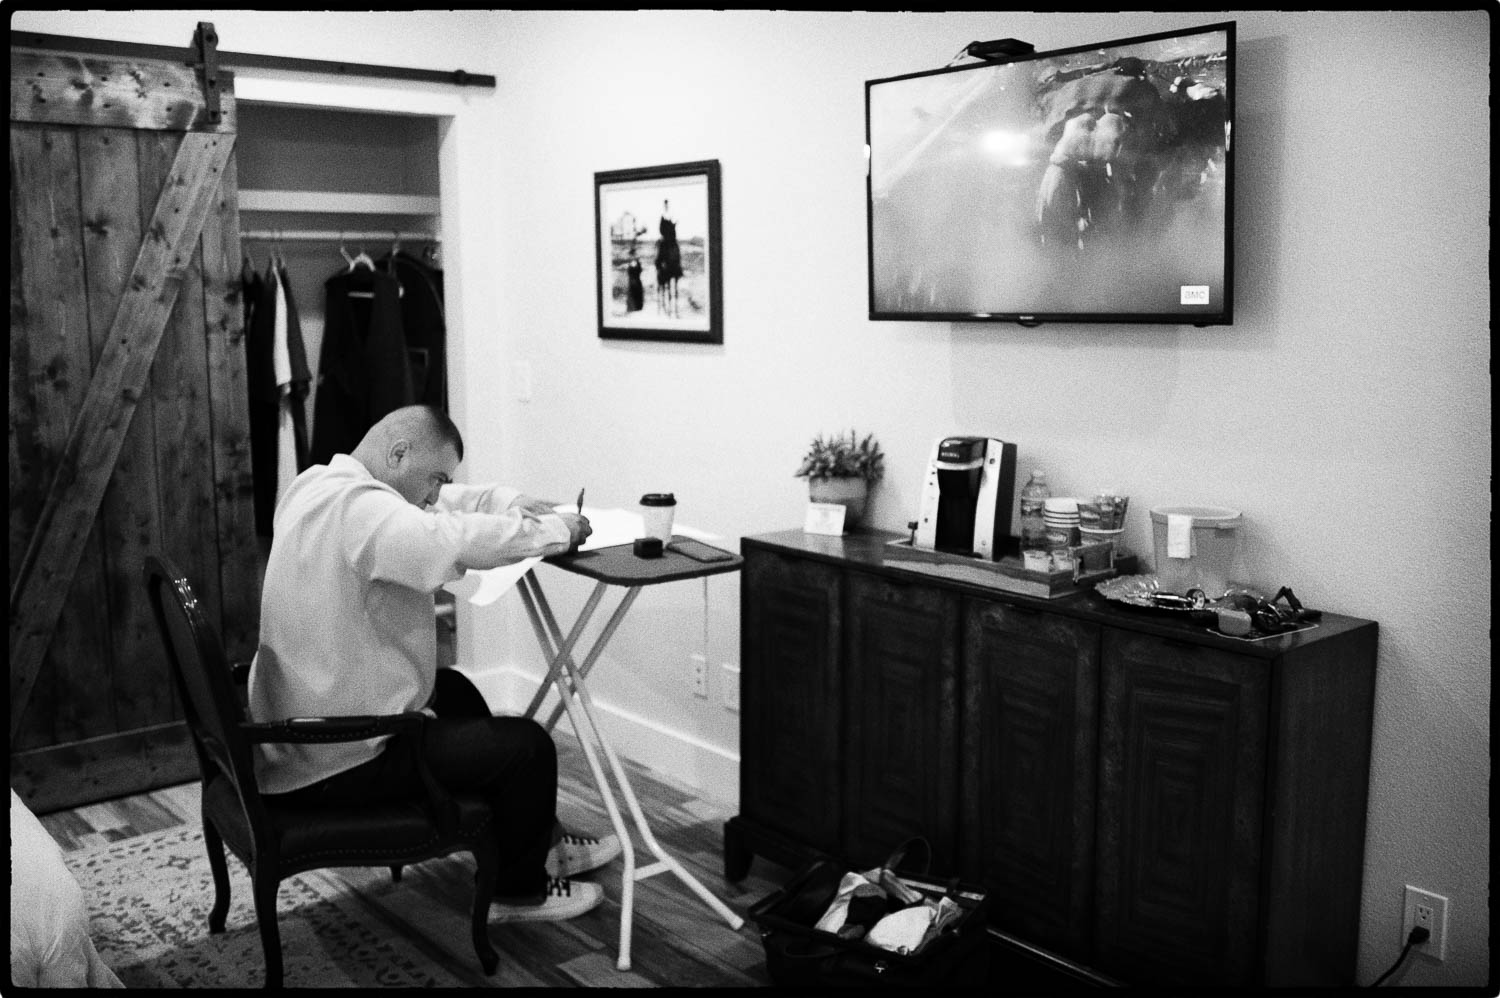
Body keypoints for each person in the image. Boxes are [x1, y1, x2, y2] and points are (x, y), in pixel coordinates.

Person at [247, 404, 617, 921]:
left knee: (457, 692)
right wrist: (552, 531)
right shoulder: (364, 511)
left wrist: (514, 503)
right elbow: (445, 537)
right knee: (528, 747)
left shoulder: (317, 484)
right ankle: (517, 892)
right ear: (398, 453)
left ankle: (539, 842)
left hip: (300, 732)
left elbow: (444, 508)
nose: (436, 494)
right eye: (435, 478)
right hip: (338, 756)